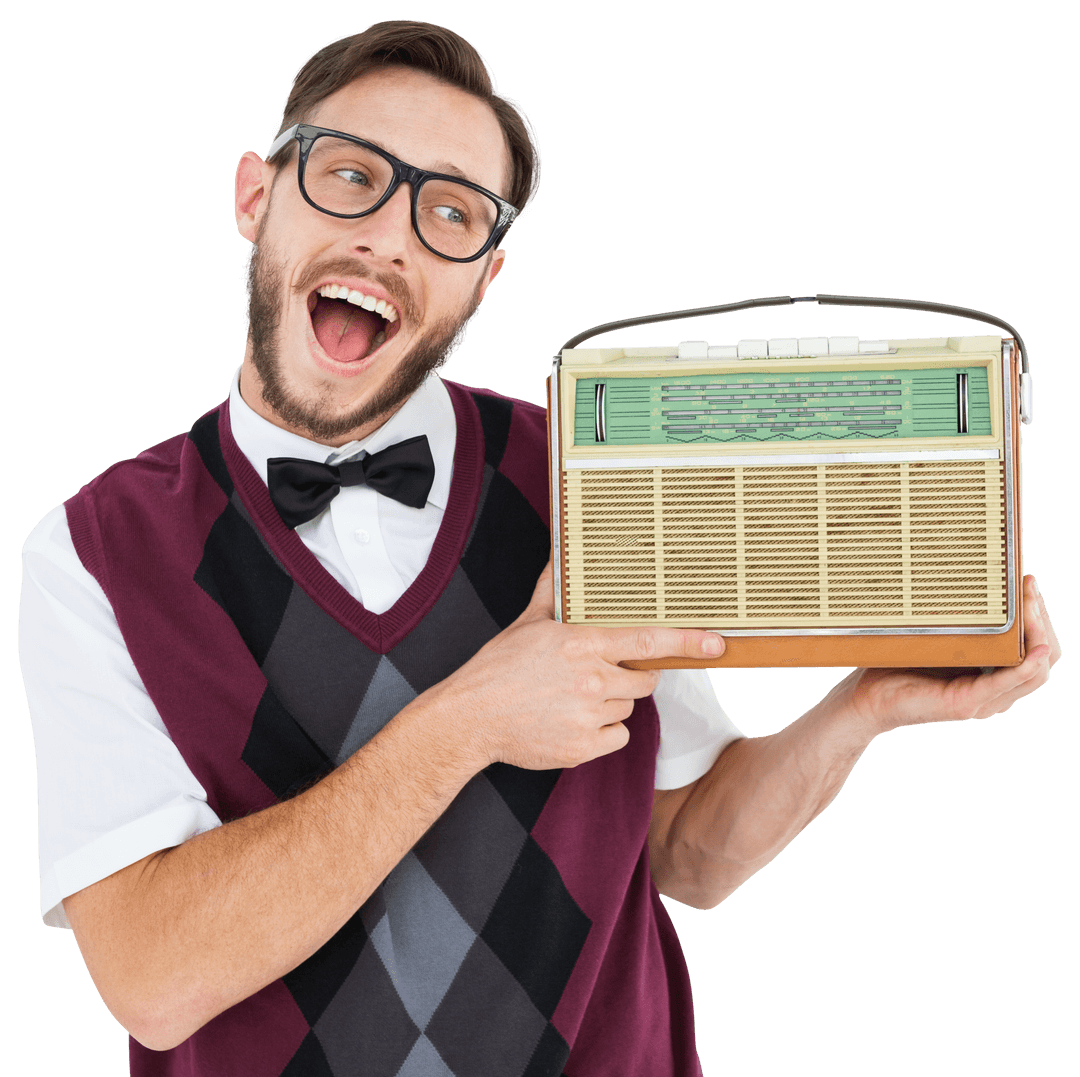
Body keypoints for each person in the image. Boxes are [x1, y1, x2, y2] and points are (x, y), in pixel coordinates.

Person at [18, 20, 1059, 1077]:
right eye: (349, 175)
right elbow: (154, 982)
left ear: (485, 280)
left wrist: (864, 707)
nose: (388, 236)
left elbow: (686, 849)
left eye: (450, 214)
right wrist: (469, 719)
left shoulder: (595, 476)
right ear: (254, 196)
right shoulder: (92, 553)